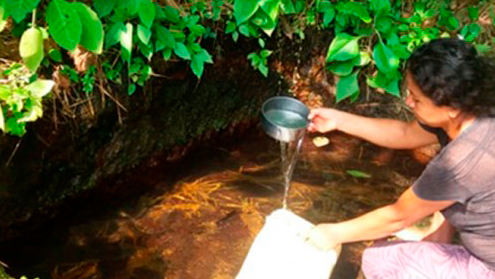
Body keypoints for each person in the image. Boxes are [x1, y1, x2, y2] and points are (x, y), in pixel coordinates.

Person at [305, 38, 495, 278]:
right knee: (442, 190)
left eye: (416, 99)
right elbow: (404, 133)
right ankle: (437, 245)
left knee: (380, 259)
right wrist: (339, 120)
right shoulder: (476, 111)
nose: (408, 102)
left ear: (452, 107)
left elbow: (398, 217)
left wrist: (332, 233)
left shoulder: (460, 161)